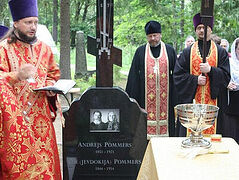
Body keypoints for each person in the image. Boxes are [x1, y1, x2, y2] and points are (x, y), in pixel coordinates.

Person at [0, 0, 61, 179]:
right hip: (17, 122)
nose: (33, 27)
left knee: (46, 165)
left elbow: (53, 73)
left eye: (35, 22)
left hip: (42, 120)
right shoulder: (3, 49)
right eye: (28, 22)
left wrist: (51, 89)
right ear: (16, 23)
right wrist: (17, 75)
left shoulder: (45, 49)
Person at [174, 13, 230, 137]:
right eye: (199, 28)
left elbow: (226, 77)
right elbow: (177, 76)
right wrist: (195, 80)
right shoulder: (187, 52)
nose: (202, 30)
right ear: (195, 30)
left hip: (214, 103)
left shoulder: (221, 52)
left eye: (205, 27)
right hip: (192, 102)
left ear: (211, 29)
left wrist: (211, 70)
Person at [126, 20, 178, 138]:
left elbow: (176, 74)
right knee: (144, 130)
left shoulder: (169, 50)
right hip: (145, 98)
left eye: (155, 35)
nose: (153, 38)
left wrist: (177, 97)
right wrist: (132, 100)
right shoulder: (140, 51)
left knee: (168, 129)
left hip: (166, 99)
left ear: (160, 34)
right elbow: (133, 75)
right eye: (150, 36)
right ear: (147, 37)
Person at [222, 38, 239, 144]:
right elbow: (222, 78)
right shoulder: (229, 63)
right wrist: (227, 84)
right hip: (232, 102)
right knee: (232, 133)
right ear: (235, 49)